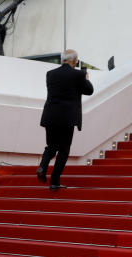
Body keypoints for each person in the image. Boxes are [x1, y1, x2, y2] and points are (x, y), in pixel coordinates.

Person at [38, 49, 94, 191]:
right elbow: (89, 90)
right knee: (63, 150)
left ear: (62, 59)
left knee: (51, 146)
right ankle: (54, 182)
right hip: (67, 118)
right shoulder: (78, 75)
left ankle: (42, 167)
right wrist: (85, 78)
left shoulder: (50, 74)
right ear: (74, 61)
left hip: (50, 116)